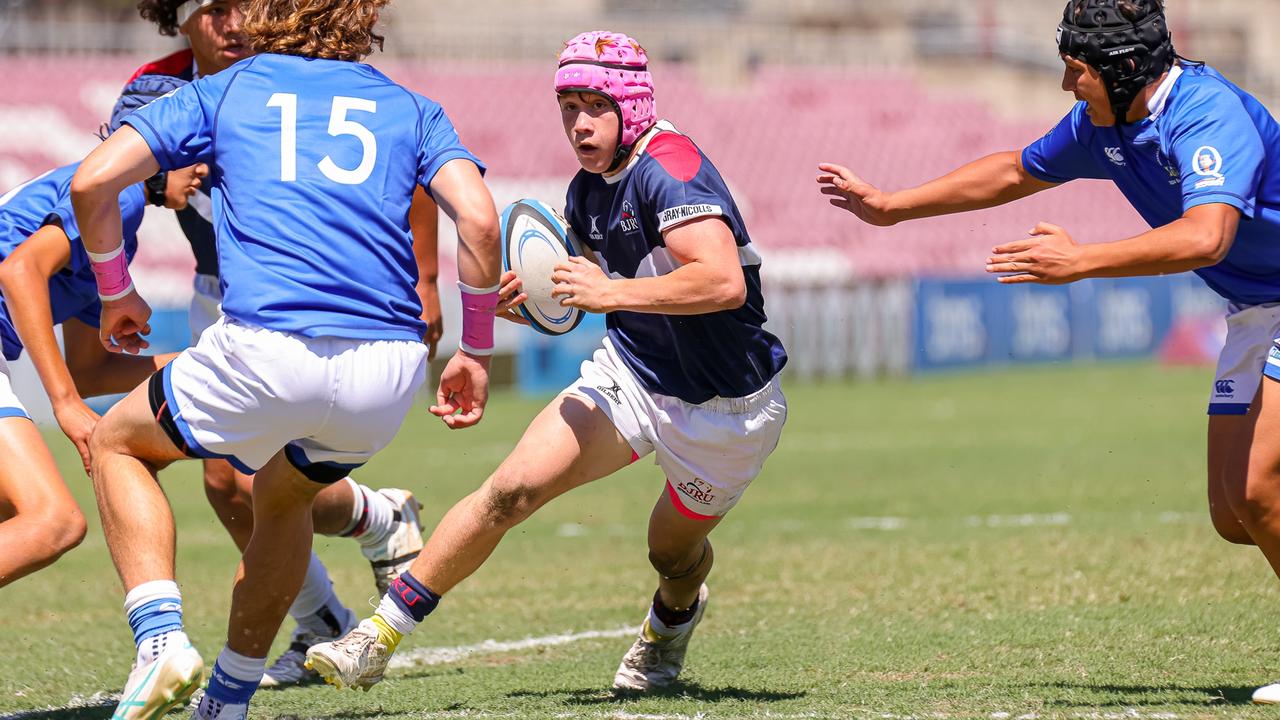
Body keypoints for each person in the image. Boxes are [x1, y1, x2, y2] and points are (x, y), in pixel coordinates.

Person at [816, 0, 1280, 704]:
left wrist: (1083, 260)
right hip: (1254, 310)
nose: (1067, 87)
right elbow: (1014, 169)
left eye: (1076, 72)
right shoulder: (1107, 120)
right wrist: (891, 206)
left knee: (1258, 490)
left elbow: (1205, 237)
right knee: (1232, 512)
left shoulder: (1206, 112)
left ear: (1123, 72)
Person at [305, 29, 788, 695]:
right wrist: (534, 304)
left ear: (633, 106)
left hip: (727, 409)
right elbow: (592, 288)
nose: (580, 124)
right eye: (569, 106)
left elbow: (722, 283)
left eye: (596, 105)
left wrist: (608, 292)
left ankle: (671, 621)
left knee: (670, 553)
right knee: (510, 490)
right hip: (632, 375)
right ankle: (377, 635)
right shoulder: (588, 191)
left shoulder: (669, 167)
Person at [71, 0, 501, 716]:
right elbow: (481, 220)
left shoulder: (228, 88)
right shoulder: (412, 106)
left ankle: (159, 641)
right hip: (386, 373)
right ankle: (229, 700)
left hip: (269, 345)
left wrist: (117, 291)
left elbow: (90, 181)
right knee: (281, 497)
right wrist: (477, 350)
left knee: (116, 444)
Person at [0, 160, 203, 588]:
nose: (204, 169)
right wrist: (65, 404)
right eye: (197, 151)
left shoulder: (117, 235)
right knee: (53, 521)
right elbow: (18, 271)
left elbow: (93, 371)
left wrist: (214, 364)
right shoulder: (115, 195)